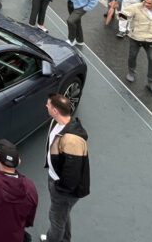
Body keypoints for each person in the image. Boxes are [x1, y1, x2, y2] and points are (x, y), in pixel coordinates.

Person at [43, 93, 90, 242]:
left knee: (56, 219)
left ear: (55, 111)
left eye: (48, 104)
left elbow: (71, 176)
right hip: (57, 180)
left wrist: (59, 189)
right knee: (63, 215)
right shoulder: (57, 123)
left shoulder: (71, 141)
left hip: (64, 190)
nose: (46, 106)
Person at [121, 0, 152, 95]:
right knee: (132, 56)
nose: (145, 4)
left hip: (151, 40)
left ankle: (151, 82)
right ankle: (131, 72)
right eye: (145, 1)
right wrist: (119, 14)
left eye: (149, 3)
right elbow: (124, 15)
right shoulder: (137, 7)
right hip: (136, 37)